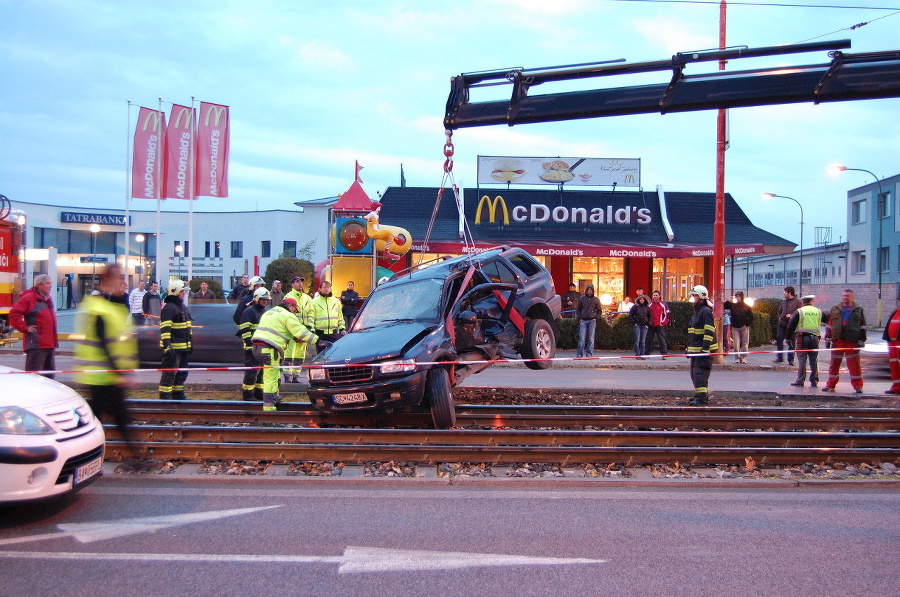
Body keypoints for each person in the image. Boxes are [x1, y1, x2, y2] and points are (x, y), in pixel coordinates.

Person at [74, 263, 139, 455]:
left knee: (117, 417)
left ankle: (133, 456)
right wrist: (120, 373)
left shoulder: (106, 306)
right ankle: (79, 453)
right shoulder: (100, 309)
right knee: (105, 417)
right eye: (118, 278)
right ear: (108, 280)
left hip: (106, 375)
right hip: (102, 375)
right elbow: (104, 344)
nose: (122, 283)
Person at [251, 297, 325, 411]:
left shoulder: (270, 311)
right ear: (290, 306)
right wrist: (318, 341)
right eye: (295, 310)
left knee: (273, 375)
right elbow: (301, 332)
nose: (295, 313)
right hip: (270, 348)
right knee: (271, 377)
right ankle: (269, 407)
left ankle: (274, 398)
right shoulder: (287, 315)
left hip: (257, 347)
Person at [8, 273, 58, 378]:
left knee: (49, 377)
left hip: (49, 343)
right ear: (39, 285)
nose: (50, 286)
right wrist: (25, 328)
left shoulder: (47, 298)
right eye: (47, 283)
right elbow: (13, 314)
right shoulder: (29, 298)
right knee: (33, 377)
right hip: (36, 345)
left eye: (51, 283)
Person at [822, 289, 866, 394]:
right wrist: (828, 338)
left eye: (847, 296)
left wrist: (861, 339)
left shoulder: (858, 309)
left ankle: (857, 386)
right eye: (844, 295)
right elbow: (830, 324)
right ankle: (831, 384)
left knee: (854, 365)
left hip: (851, 341)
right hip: (837, 340)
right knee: (834, 364)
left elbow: (862, 325)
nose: (845, 297)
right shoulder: (835, 308)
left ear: (852, 297)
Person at [158, 280, 193, 400]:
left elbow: (187, 327)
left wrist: (190, 343)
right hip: (173, 348)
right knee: (169, 374)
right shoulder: (169, 308)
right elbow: (165, 328)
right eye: (183, 291)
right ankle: (165, 398)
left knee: (182, 372)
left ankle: (178, 395)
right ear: (176, 291)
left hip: (183, 347)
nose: (184, 293)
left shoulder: (181, 306)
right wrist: (167, 346)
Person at [686, 284, 718, 406]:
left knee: (700, 374)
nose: (692, 298)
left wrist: (705, 348)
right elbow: (693, 333)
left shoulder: (705, 312)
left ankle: (702, 399)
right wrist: (689, 348)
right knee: (694, 374)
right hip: (696, 349)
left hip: (704, 350)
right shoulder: (697, 312)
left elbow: (709, 331)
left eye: (694, 296)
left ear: (701, 297)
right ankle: (698, 395)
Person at [238, 288, 270, 401]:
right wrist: (250, 345)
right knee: (251, 374)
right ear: (257, 299)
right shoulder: (249, 311)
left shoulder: (265, 312)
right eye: (263, 300)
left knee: (261, 374)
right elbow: (245, 330)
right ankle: (248, 396)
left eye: (267, 300)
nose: (265, 302)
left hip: (263, 348)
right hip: (252, 349)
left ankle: (259, 394)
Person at [787, 295, 825, 388]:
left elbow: (791, 326)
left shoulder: (800, 311)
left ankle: (800, 380)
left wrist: (787, 338)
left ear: (803, 302)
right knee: (814, 360)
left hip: (802, 338)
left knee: (802, 360)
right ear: (812, 301)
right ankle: (814, 380)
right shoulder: (818, 311)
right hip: (815, 338)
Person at [283, 276, 315, 383]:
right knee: (289, 355)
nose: (300, 284)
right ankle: (288, 377)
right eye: (297, 282)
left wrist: (309, 326)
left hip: (303, 330)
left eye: (301, 281)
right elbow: (286, 314)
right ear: (292, 284)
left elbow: (311, 312)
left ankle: (296, 377)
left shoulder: (307, 298)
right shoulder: (288, 297)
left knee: (300, 356)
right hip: (291, 331)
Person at [774, 286, 802, 364]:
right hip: (782, 323)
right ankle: (779, 357)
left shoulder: (798, 302)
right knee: (779, 338)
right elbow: (779, 311)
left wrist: (792, 315)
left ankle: (791, 359)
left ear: (790, 293)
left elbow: (800, 312)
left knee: (791, 342)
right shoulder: (784, 302)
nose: (784, 293)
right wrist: (779, 317)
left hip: (792, 325)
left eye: (785, 292)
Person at [312, 280, 345, 345]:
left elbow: (340, 316)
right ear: (320, 289)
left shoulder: (336, 301)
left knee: (334, 354)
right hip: (320, 334)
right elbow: (311, 318)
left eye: (328, 287)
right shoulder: (314, 302)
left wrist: (342, 328)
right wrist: (312, 330)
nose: (326, 289)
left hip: (333, 333)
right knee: (321, 354)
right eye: (324, 287)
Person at [726, 292, 753, 364]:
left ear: (742, 297)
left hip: (744, 326)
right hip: (735, 327)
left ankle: (744, 358)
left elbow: (751, 316)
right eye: (736, 296)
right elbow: (724, 306)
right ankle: (737, 357)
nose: (737, 298)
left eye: (739, 296)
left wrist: (747, 324)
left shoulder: (747, 306)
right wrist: (728, 300)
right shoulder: (733, 305)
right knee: (736, 343)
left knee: (745, 343)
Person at [575, 284, 601, 358]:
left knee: (591, 338)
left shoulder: (596, 299)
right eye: (588, 289)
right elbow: (578, 309)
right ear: (586, 290)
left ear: (593, 291)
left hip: (592, 320)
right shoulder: (582, 298)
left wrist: (596, 318)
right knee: (581, 339)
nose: (589, 291)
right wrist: (579, 318)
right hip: (583, 320)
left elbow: (599, 310)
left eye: (591, 290)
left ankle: (589, 354)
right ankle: (579, 354)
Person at [882, 293, 900, 394]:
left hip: (898, 344)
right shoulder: (895, 312)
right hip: (892, 344)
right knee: (894, 366)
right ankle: (896, 387)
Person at [646, 290, 669, 358]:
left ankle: (664, 354)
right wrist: (648, 323)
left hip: (660, 325)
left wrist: (663, 322)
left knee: (662, 340)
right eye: (654, 295)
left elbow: (667, 315)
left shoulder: (663, 304)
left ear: (659, 296)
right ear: (652, 296)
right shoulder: (650, 305)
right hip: (651, 325)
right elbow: (647, 314)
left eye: (656, 295)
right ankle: (647, 354)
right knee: (649, 339)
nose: (655, 296)